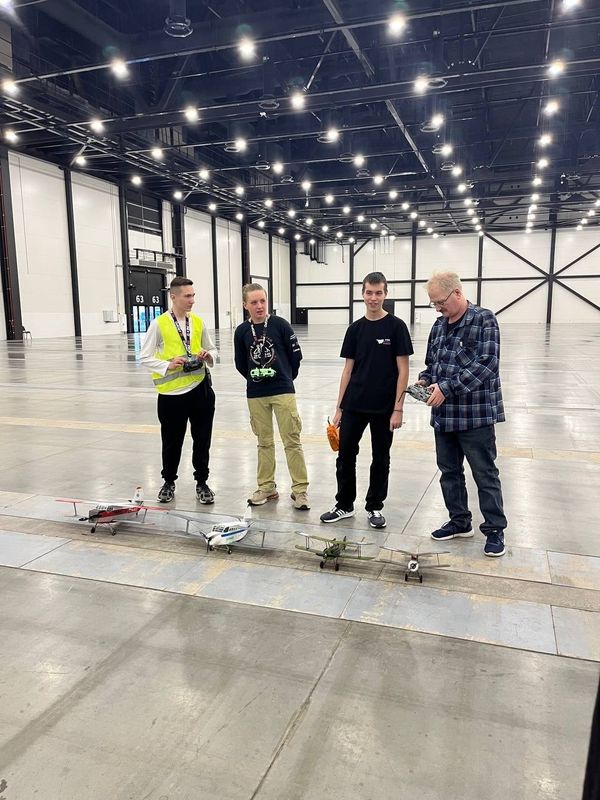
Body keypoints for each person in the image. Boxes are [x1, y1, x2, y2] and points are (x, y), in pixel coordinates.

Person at [417, 271, 507, 556]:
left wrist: (447, 387)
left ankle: (494, 530)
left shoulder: (484, 320)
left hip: (474, 416)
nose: (437, 308)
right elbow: (432, 363)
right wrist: (424, 380)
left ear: (457, 293)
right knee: (449, 472)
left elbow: (487, 364)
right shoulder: (438, 326)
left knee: (484, 473)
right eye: (433, 303)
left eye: (440, 302)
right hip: (444, 416)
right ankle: (459, 522)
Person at [320, 271, 412, 529]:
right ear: (362, 294)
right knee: (345, 456)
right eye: (369, 293)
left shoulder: (396, 327)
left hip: (384, 407)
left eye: (378, 293)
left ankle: (374, 506)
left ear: (385, 294)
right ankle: (344, 504)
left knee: (381, 458)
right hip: (354, 405)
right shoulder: (355, 329)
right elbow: (348, 370)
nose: (373, 298)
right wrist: (339, 408)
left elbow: (403, 370)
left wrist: (398, 409)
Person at [140, 276, 217, 504]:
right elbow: (144, 356)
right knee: (172, 441)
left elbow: (212, 349)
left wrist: (208, 356)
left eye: (193, 295)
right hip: (172, 396)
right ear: (173, 297)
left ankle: (202, 482)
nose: (192, 300)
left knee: (202, 439)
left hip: (200, 390)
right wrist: (167, 365)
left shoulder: (198, 322)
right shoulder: (159, 324)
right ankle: (168, 482)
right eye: (187, 296)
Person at [234, 283, 310, 510]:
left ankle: (300, 490)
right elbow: (241, 363)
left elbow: (296, 357)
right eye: (254, 302)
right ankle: (266, 487)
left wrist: (286, 376)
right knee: (264, 442)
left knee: (292, 441)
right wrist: (255, 378)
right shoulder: (242, 331)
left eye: (262, 301)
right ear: (245, 305)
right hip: (256, 394)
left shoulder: (280, 325)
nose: (259, 306)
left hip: (283, 391)